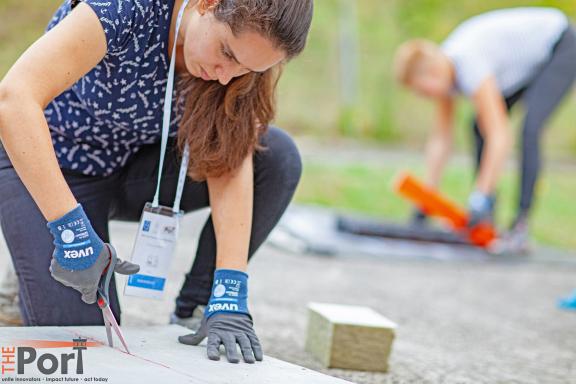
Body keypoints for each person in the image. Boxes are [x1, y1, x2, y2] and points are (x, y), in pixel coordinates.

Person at [0, 0, 313, 364]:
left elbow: (229, 156)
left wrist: (230, 288)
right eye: (226, 52)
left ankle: (195, 310)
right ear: (206, 4)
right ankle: (30, 269)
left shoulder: (233, 66)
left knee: (276, 156)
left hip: (136, 169)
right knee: (87, 348)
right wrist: (72, 234)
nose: (226, 75)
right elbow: (13, 98)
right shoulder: (124, 8)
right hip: (54, 166)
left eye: (246, 69)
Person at [393, 7, 576, 253]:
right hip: (526, 61)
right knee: (478, 127)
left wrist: (480, 197)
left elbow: (500, 136)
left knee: (529, 129)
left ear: (433, 73)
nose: (425, 97)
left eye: (423, 91)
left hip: (560, 44)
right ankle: (488, 218)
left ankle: (519, 225)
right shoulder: (446, 67)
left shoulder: (470, 63)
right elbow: (441, 139)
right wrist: (426, 199)